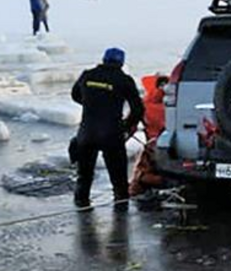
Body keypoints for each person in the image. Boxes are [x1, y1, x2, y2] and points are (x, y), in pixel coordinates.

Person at [70, 48, 143, 210]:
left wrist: (92, 104)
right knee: (118, 177)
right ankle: (121, 210)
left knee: (84, 176)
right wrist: (127, 125)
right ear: (121, 63)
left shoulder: (87, 75)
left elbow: (75, 95)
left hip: (86, 132)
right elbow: (138, 109)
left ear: (104, 59)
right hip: (111, 133)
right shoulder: (124, 80)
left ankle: (82, 205)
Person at [129, 73, 169, 197]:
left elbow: (131, 125)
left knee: (140, 175)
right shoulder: (177, 103)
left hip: (152, 147)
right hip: (173, 146)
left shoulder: (144, 104)